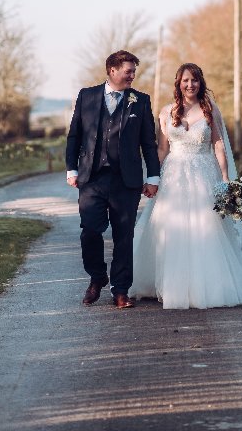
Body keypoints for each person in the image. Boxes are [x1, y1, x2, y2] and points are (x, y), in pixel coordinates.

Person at [131, 62, 242, 309]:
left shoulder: (209, 110)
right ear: (178, 83)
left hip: (203, 173)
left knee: (206, 226)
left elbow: (218, 145)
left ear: (200, 83)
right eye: (185, 80)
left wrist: (226, 178)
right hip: (174, 175)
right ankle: (168, 283)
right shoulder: (166, 112)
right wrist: (152, 177)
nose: (190, 85)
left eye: (194, 80)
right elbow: (162, 149)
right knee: (170, 227)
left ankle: (208, 286)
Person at [66, 50, 160, 309]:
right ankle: (97, 277)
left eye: (133, 71)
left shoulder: (140, 101)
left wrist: (153, 175)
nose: (132, 75)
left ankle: (121, 290)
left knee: (124, 236)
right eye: (128, 71)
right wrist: (71, 169)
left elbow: (148, 144)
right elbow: (74, 135)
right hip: (91, 178)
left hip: (125, 180)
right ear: (112, 70)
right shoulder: (87, 96)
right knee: (90, 232)